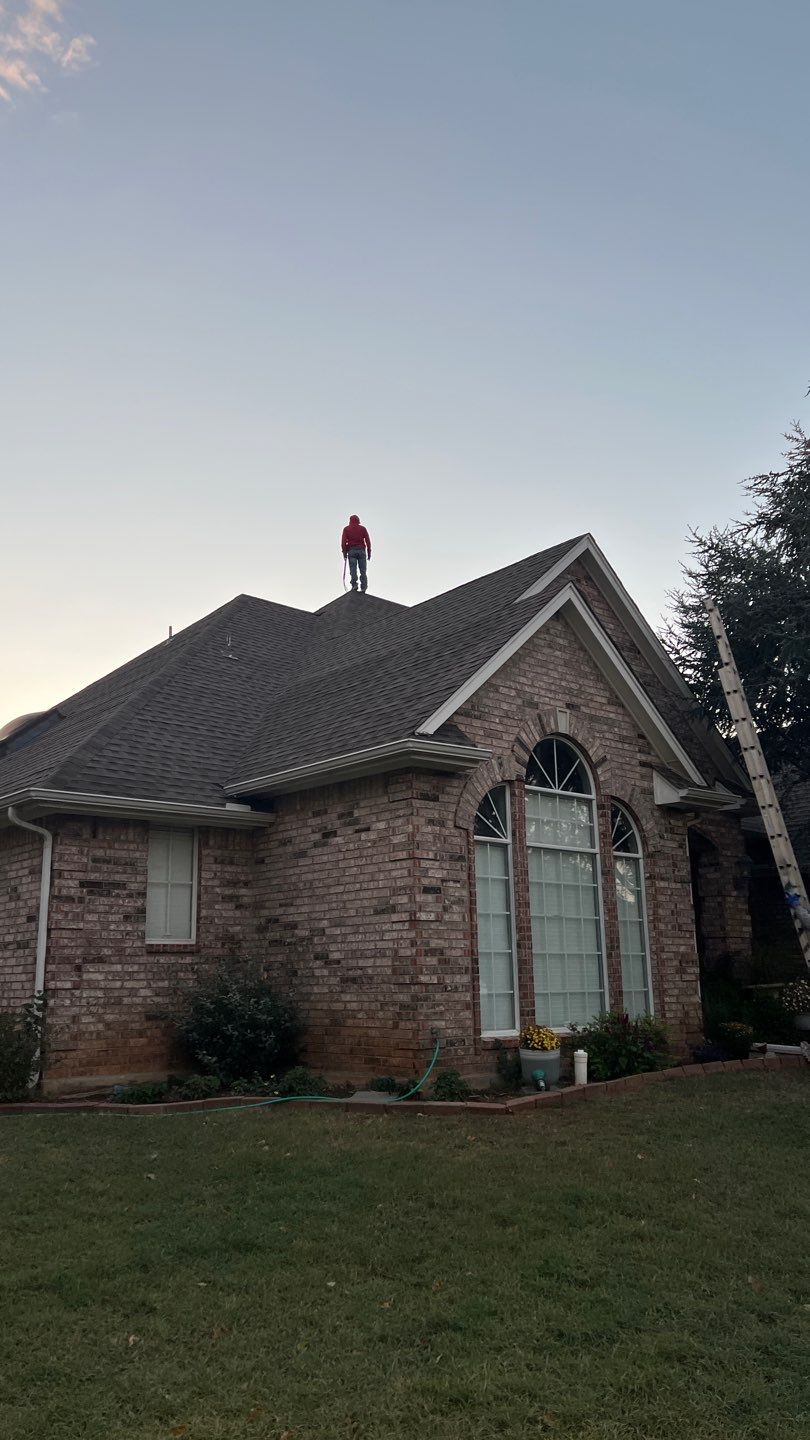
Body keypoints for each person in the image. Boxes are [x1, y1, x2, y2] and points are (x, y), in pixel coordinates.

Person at [341, 514, 372, 592]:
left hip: (352, 551)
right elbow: (368, 541)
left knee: (353, 569)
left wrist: (344, 553)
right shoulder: (363, 529)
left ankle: (354, 585)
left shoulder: (346, 529)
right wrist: (369, 553)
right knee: (363, 570)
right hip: (361, 551)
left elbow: (343, 543)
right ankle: (364, 587)